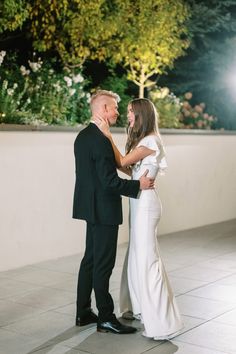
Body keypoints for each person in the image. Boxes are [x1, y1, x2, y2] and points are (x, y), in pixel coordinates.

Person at [95, 98, 184, 340]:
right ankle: (140, 307)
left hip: (146, 206)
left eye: (131, 112)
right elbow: (127, 168)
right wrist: (113, 146)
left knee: (147, 259)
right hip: (138, 204)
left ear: (142, 115)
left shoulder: (151, 140)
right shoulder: (143, 141)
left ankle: (162, 322)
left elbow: (122, 161)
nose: (128, 116)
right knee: (137, 255)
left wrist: (107, 135)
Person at [72, 90, 155, 335]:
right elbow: (109, 181)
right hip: (104, 209)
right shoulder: (99, 139)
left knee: (90, 259)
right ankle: (106, 318)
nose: (118, 112)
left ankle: (83, 311)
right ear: (104, 108)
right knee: (103, 265)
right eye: (116, 108)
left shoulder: (83, 136)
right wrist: (137, 185)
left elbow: (93, 178)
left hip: (89, 207)